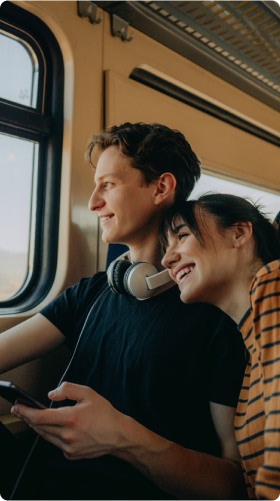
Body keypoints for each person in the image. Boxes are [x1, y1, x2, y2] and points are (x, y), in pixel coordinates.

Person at [0, 123, 247, 500]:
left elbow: (234, 485)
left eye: (108, 185)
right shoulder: (93, 292)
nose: (93, 203)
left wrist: (124, 439)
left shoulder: (214, 311)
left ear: (161, 188)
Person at [161, 193, 280, 500]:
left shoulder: (273, 285)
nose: (166, 259)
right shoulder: (250, 356)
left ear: (239, 233)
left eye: (182, 236)